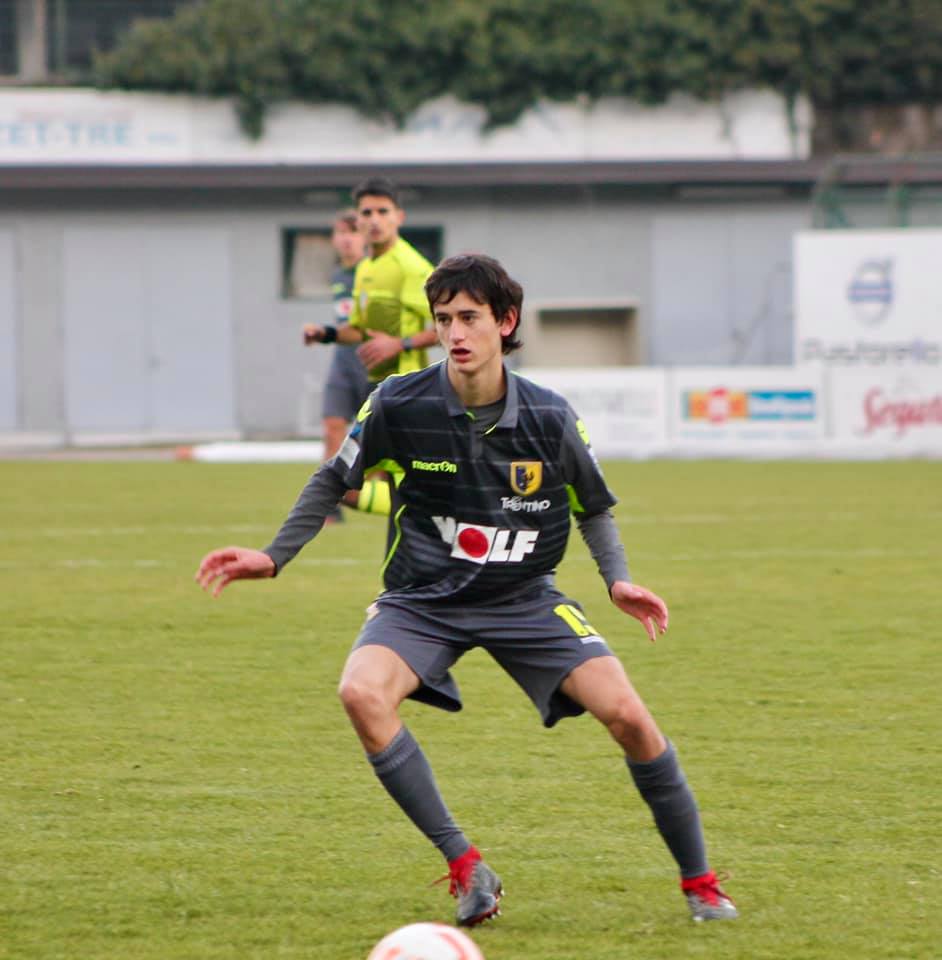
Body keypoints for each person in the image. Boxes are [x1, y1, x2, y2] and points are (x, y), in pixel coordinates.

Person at [195, 254, 738, 928]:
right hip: (423, 599)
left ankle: (702, 884)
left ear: (504, 322)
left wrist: (617, 578)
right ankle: (465, 864)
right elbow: (332, 479)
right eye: (444, 318)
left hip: (524, 596)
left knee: (628, 715)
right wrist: (273, 557)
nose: (455, 331)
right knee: (360, 692)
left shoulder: (550, 417)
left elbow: (594, 506)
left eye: (469, 318)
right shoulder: (398, 403)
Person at [303, 176, 438, 516]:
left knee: (350, 484)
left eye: (383, 211)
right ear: (358, 219)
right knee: (368, 481)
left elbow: (446, 326)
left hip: (408, 387)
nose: (374, 219)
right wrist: (328, 334)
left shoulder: (413, 267)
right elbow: (361, 330)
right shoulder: (366, 268)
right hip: (377, 385)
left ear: (399, 218)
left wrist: (400, 343)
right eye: (367, 212)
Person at [302, 209, 368, 523]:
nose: (345, 239)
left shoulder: (373, 273)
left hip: (374, 365)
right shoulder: (338, 275)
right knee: (332, 428)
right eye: (340, 232)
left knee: (385, 440)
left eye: (352, 232)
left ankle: (390, 499)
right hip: (342, 363)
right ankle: (330, 504)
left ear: (365, 237)